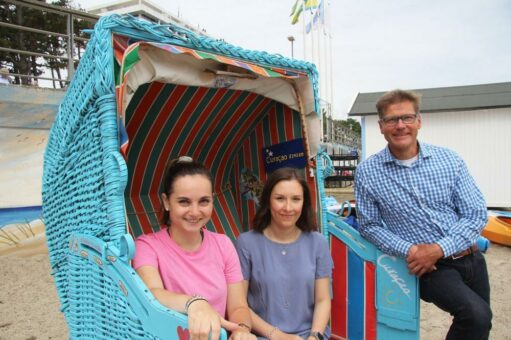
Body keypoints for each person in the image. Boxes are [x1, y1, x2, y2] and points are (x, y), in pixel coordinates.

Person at [355, 89, 491, 340]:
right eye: (391, 120)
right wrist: (412, 251)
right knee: (476, 315)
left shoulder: (449, 160)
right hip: (429, 268)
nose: (400, 126)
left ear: (419, 121)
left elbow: (475, 213)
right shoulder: (368, 172)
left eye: (407, 117)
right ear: (380, 127)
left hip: (470, 257)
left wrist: (438, 248)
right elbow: (370, 226)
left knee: (481, 324)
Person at [132, 156, 256, 340]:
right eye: (184, 202)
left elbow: (238, 306)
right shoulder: (147, 245)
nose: (195, 212)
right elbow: (153, 294)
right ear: (166, 202)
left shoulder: (223, 244)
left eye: (204, 201)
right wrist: (195, 303)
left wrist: (242, 330)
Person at [236, 167, 333, 340]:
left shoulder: (318, 243)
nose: (288, 207)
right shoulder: (246, 243)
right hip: (263, 336)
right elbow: (239, 304)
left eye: (296, 199)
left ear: (304, 203)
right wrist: (278, 336)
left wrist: (314, 336)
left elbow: (323, 300)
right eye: (280, 199)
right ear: (267, 201)